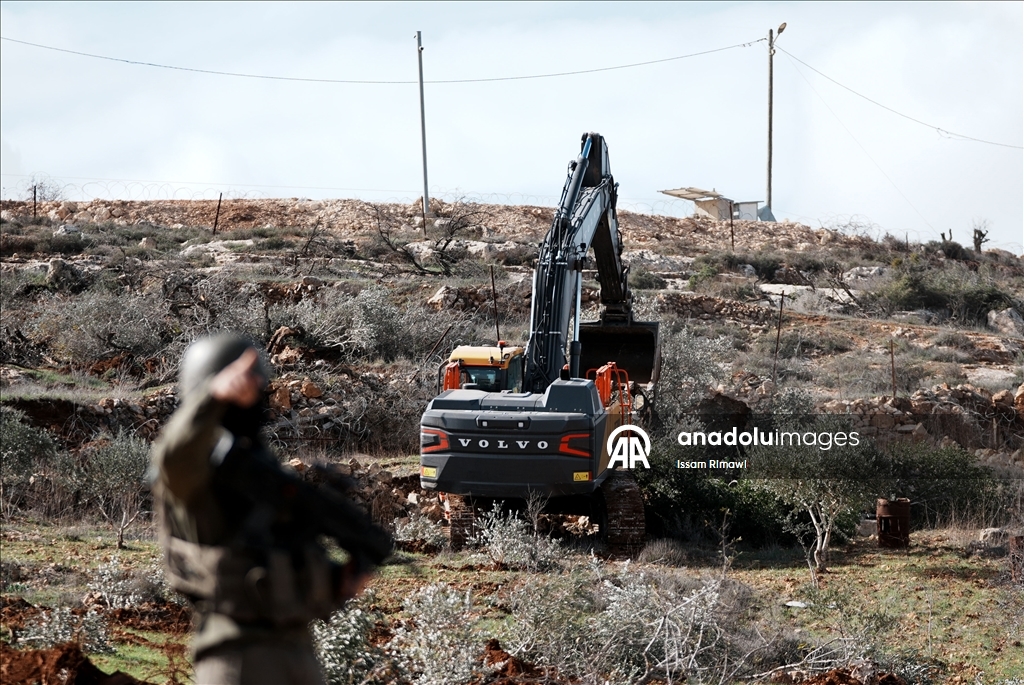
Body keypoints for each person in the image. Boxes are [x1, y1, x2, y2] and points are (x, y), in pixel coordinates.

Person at [150, 333, 392, 684]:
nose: (253, 398)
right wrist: (213, 398)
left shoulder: (260, 473)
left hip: (296, 651)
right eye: (240, 389)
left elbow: (283, 561)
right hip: (237, 656)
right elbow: (173, 455)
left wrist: (339, 581)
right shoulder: (191, 481)